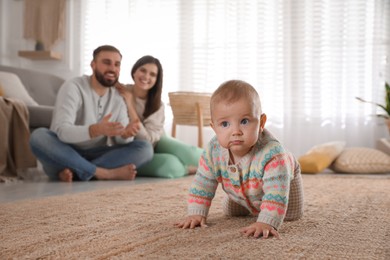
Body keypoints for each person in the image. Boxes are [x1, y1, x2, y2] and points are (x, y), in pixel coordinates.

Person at [174, 80, 304, 239]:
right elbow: (203, 183)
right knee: (232, 213)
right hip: (243, 190)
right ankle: (249, 204)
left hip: (283, 186)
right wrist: (196, 213)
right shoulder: (213, 150)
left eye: (244, 121)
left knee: (291, 215)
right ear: (214, 127)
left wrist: (267, 222)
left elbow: (276, 193)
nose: (235, 131)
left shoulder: (273, 154)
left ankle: (266, 212)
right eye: (225, 124)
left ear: (261, 123)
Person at [29, 45, 154, 182]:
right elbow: (62, 131)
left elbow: (121, 138)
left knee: (145, 148)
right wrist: (95, 130)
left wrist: (125, 135)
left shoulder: (118, 97)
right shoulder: (73, 87)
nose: (112, 68)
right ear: (93, 65)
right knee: (38, 136)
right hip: (67, 149)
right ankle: (103, 173)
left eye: (117, 64)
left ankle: (75, 170)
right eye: (106, 62)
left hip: (98, 154)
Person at [116, 55, 203, 178]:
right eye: (143, 70)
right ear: (134, 71)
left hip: (156, 140)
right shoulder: (121, 93)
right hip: (137, 150)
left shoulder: (157, 104)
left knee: (193, 154)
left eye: (152, 74)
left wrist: (130, 105)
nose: (146, 77)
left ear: (157, 79)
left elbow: (150, 139)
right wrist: (129, 103)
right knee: (171, 164)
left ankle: (226, 165)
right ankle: (188, 169)